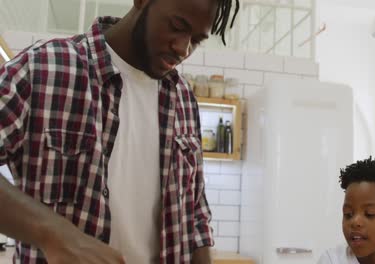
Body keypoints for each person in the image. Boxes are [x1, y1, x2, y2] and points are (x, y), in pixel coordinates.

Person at [0, 0, 239, 263]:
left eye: (196, 40)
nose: (183, 48)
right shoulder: (44, 69)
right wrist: (54, 234)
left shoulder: (183, 99)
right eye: (177, 26)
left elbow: (195, 216)